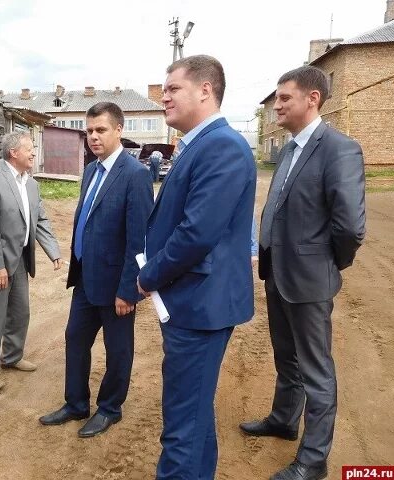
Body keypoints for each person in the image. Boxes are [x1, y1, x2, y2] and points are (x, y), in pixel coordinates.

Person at [239, 66, 366, 480]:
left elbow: (349, 227)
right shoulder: (291, 149)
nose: (276, 105)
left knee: (316, 370)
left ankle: (313, 462)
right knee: (286, 358)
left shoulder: (339, 149)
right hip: (279, 274)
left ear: (312, 99)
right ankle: (282, 419)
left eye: (284, 98)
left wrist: (328, 265)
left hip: (310, 280)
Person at [137, 55, 256, 479]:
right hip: (193, 303)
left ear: (206, 90)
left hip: (200, 307)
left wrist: (147, 277)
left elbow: (195, 234)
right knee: (193, 414)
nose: (163, 97)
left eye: (173, 89)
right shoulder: (201, 144)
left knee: (182, 427)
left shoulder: (220, 145)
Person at [39, 102, 153, 438]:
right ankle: (76, 403)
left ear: (119, 130)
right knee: (75, 338)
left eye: (100, 129)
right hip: (86, 279)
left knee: (118, 350)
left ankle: (109, 408)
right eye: (89, 130)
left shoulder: (136, 175)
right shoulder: (91, 170)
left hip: (117, 284)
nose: (93, 136)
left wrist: (129, 289)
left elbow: (139, 238)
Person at [0, 131, 61, 391]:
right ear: (13, 152)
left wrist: (53, 250)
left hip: (20, 259)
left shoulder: (30, 183)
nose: (34, 152)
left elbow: (40, 219)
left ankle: (11, 357)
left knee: (20, 312)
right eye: (29, 148)